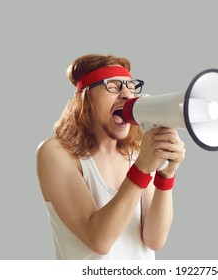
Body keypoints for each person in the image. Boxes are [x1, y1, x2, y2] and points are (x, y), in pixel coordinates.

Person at [36, 54, 186, 260]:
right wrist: (142, 169)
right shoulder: (56, 153)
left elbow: (154, 239)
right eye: (113, 87)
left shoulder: (137, 154)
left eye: (131, 87)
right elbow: (99, 240)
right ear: (85, 99)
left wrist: (166, 175)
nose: (127, 95)